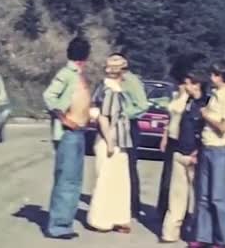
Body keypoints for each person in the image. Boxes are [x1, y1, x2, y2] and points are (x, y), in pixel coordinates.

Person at [42, 37, 92, 240]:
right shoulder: (67, 74)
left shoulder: (77, 74)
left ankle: (64, 223)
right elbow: (49, 96)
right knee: (66, 180)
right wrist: (64, 118)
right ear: (85, 56)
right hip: (68, 133)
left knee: (74, 180)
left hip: (79, 132)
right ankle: (58, 226)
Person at [160, 71, 210, 243]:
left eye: (187, 83)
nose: (184, 86)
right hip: (179, 151)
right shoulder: (184, 101)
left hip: (195, 155)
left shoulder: (206, 104)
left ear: (197, 85)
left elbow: (206, 130)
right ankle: (170, 232)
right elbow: (172, 111)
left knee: (197, 198)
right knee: (176, 196)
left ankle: (196, 233)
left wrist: (199, 150)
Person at [87, 55, 134, 233]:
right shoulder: (111, 91)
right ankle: (101, 220)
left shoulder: (105, 88)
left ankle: (117, 218)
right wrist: (110, 142)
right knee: (107, 180)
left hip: (117, 138)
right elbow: (103, 117)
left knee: (118, 181)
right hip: (111, 138)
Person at [192, 61, 225, 248]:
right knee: (203, 194)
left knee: (218, 196)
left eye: (214, 75)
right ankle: (204, 236)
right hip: (207, 146)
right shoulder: (214, 96)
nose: (211, 78)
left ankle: (224, 239)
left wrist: (206, 115)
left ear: (221, 76)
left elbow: (224, 126)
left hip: (220, 149)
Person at [107, 53, 149, 219]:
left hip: (129, 126)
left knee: (129, 166)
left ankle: (134, 206)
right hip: (114, 126)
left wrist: (124, 113)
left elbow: (142, 105)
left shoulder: (131, 81)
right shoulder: (111, 81)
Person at [157, 82, 188, 218]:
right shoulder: (175, 96)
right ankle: (163, 209)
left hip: (180, 138)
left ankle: (180, 211)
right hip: (170, 136)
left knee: (179, 179)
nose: (181, 85)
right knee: (167, 176)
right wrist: (164, 137)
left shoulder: (188, 100)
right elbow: (169, 118)